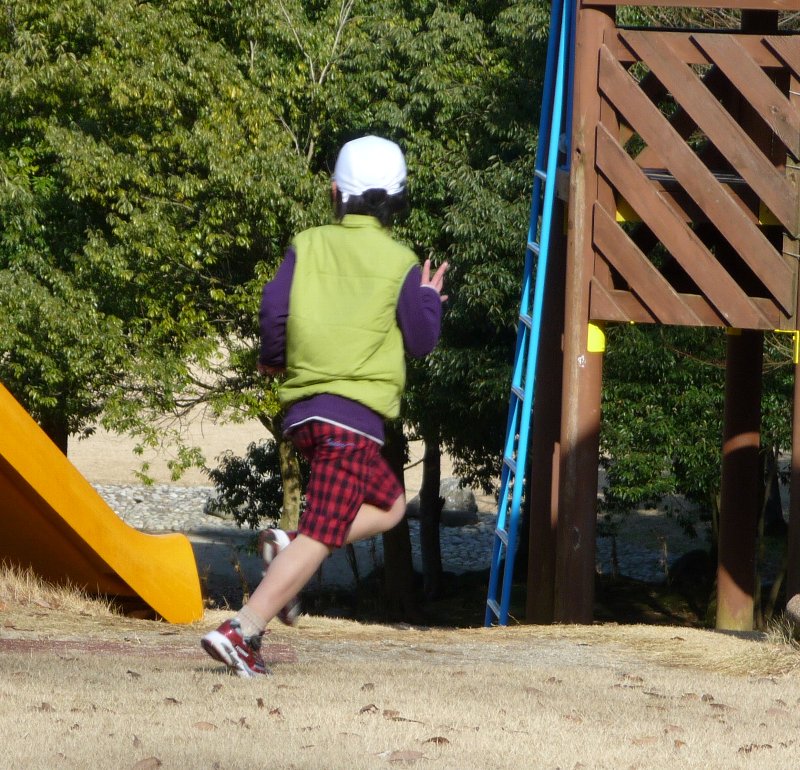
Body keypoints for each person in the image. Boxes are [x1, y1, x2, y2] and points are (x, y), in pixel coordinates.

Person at [201, 135, 448, 678]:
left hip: (305, 415)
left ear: (336, 193)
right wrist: (428, 297)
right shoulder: (401, 262)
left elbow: (274, 305)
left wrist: (272, 358)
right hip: (352, 422)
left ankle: (288, 544)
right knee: (323, 534)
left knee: (390, 506)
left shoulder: (306, 244)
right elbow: (421, 339)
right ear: (398, 200)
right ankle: (241, 631)